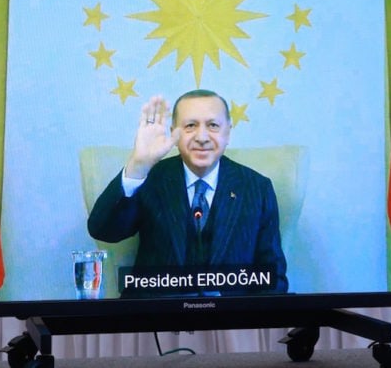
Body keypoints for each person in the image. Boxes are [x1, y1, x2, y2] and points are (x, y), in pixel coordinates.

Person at [87, 89, 288, 296]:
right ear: (174, 131)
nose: (202, 137)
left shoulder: (256, 188)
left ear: (228, 132)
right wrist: (138, 165)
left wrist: (247, 324)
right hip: (155, 319)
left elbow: (273, 278)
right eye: (190, 126)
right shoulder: (149, 178)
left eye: (213, 125)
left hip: (230, 321)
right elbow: (103, 231)